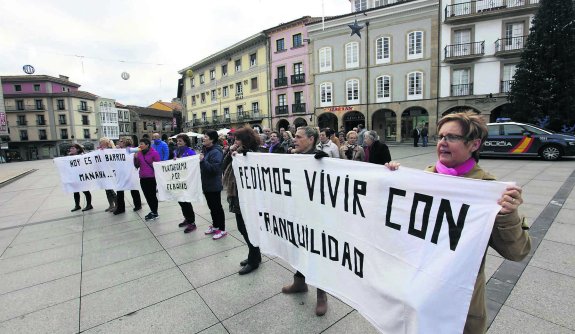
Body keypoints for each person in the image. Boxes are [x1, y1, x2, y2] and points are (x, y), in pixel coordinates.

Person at [385, 112, 531, 334]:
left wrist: (507, 215)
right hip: (417, 293)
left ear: (474, 144)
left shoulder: (489, 191)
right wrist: (390, 180)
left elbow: (517, 252)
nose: (442, 142)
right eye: (441, 136)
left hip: (460, 302)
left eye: (452, 137)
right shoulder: (421, 180)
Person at [282, 126, 329, 317]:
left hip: (317, 216)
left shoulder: (324, 159)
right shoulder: (293, 157)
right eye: (295, 137)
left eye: (299, 137)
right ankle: (300, 283)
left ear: (311, 139)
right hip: (298, 212)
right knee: (299, 247)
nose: (295, 139)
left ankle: (322, 295)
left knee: (317, 254)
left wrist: (324, 163)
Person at [222, 127, 264, 275]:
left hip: (249, 197)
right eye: (235, 139)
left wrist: (247, 156)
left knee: (248, 227)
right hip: (237, 193)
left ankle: (253, 259)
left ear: (246, 140)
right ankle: (255, 255)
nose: (235, 141)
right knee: (242, 227)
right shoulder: (236, 152)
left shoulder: (256, 152)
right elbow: (224, 166)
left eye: (238, 139)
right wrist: (229, 152)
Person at [200, 130, 227, 240]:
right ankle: (215, 226)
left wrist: (202, 161)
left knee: (217, 207)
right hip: (206, 184)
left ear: (211, 139)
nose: (203, 138)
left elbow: (215, 169)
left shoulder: (216, 151)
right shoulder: (206, 150)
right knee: (212, 207)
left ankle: (222, 229)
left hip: (214, 184)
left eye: (205, 136)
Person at [173, 134, 199, 233]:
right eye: (177, 141)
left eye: (180, 141)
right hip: (179, 180)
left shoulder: (190, 152)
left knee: (186, 201)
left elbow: (193, 166)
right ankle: (187, 218)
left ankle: (192, 222)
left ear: (185, 142)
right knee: (181, 201)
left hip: (187, 180)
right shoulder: (176, 151)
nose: (178, 143)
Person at [134, 138, 161, 221]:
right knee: (147, 196)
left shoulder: (154, 153)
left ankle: (155, 212)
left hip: (151, 178)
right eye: (140, 143)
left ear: (147, 145)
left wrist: (154, 165)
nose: (140, 145)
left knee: (152, 196)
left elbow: (158, 166)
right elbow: (137, 166)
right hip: (142, 177)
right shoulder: (139, 153)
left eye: (142, 144)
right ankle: (152, 211)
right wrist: (135, 158)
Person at [114, 137, 142, 215]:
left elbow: (142, 148)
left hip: (130, 173)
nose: (119, 142)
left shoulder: (130, 150)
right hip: (121, 174)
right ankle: (121, 208)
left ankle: (138, 205)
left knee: (133, 188)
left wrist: (137, 152)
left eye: (121, 141)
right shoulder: (118, 151)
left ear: (126, 142)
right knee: (119, 190)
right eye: (119, 141)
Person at [68, 144, 93, 212]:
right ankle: (77, 205)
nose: (71, 150)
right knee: (75, 191)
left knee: (85, 191)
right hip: (74, 176)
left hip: (82, 176)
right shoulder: (69, 157)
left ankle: (89, 205)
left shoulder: (82, 155)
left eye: (73, 148)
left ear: (78, 149)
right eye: (70, 148)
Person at [99, 137, 117, 212]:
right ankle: (111, 205)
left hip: (110, 172)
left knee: (111, 190)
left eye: (101, 142)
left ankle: (117, 204)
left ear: (105, 143)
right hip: (104, 172)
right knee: (107, 190)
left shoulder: (110, 150)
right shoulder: (101, 151)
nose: (100, 144)